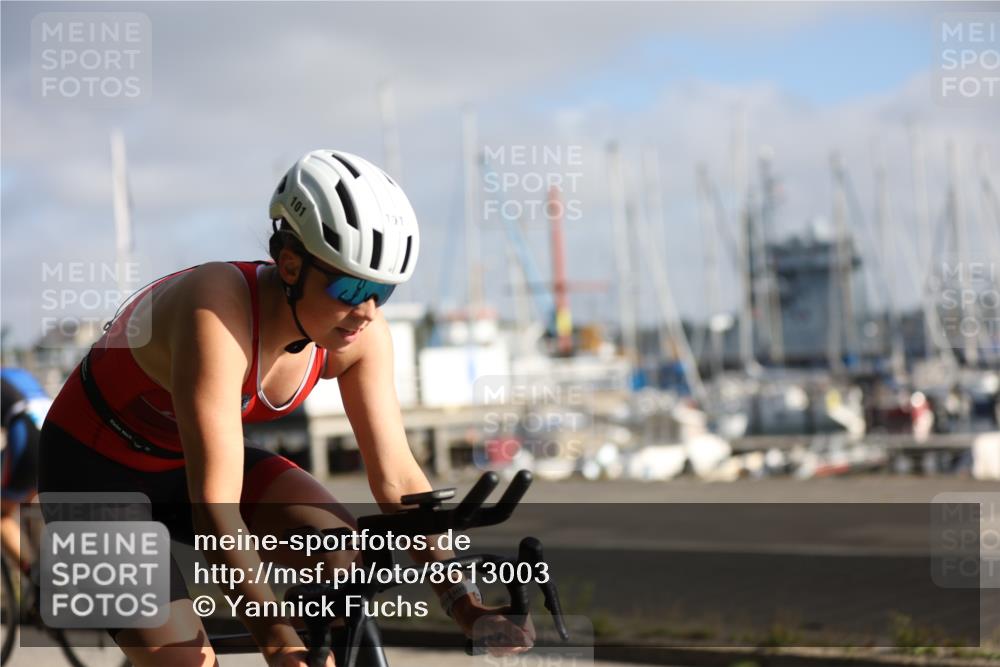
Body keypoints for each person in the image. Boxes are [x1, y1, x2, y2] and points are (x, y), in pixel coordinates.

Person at [38, 150, 533, 667]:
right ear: (291, 264)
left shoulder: (358, 337)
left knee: (344, 560)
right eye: (350, 287)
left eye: (382, 292)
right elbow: (214, 510)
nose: (366, 311)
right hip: (92, 473)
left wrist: (464, 605)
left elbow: (399, 480)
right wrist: (277, 639)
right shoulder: (217, 307)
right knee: (185, 661)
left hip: (185, 458)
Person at [1, 367, 49, 575]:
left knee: (2, 514)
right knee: (30, 500)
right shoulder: (16, 373)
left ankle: (34, 576)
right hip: (55, 426)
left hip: (26, 431)